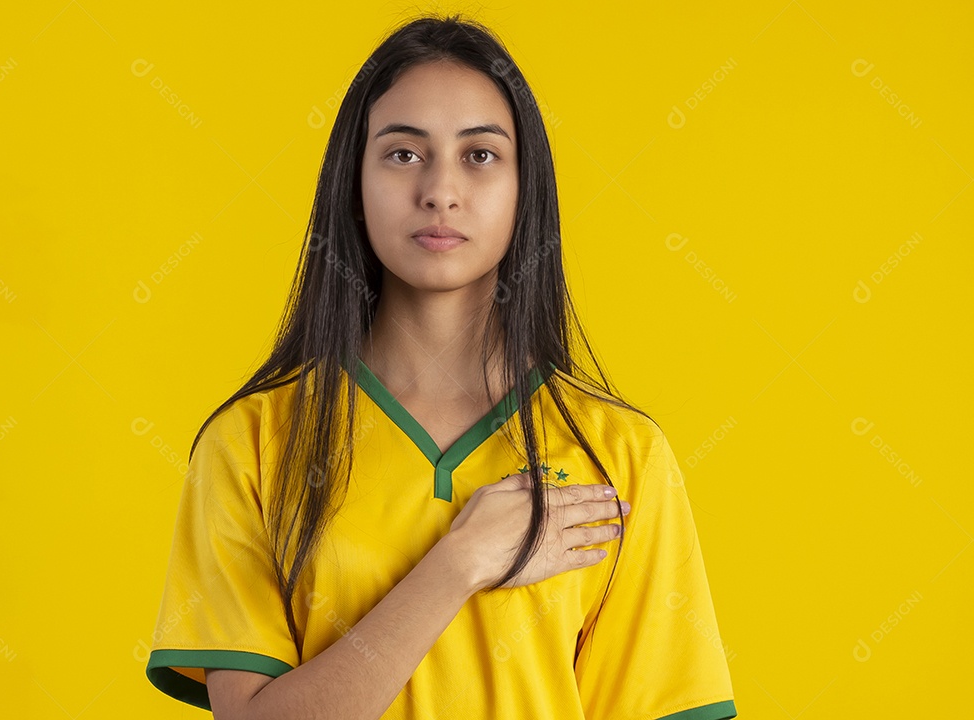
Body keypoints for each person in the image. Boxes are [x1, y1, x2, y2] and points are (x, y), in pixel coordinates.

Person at [144, 12, 737, 720]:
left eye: (481, 155)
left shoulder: (619, 456)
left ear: (527, 190)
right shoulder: (251, 444)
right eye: (403, 154)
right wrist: (457, 566)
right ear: (353, 184)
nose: (440, 191)